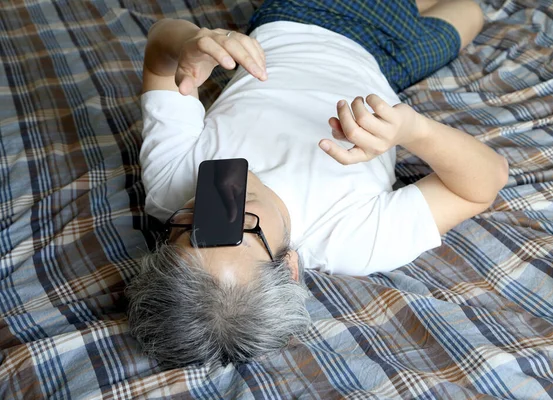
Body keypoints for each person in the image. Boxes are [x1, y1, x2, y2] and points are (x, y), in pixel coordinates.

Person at [127, 0, 508, 368]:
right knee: (472, 9)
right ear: (289, 266)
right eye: (237, 228)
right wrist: (414, 130)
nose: (208, 206)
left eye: (186, 229)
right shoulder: (352, 239)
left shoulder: (169, 186)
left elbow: (161, 51)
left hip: (301, 19)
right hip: (389, 64)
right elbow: (486, 181)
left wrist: (190, 42)